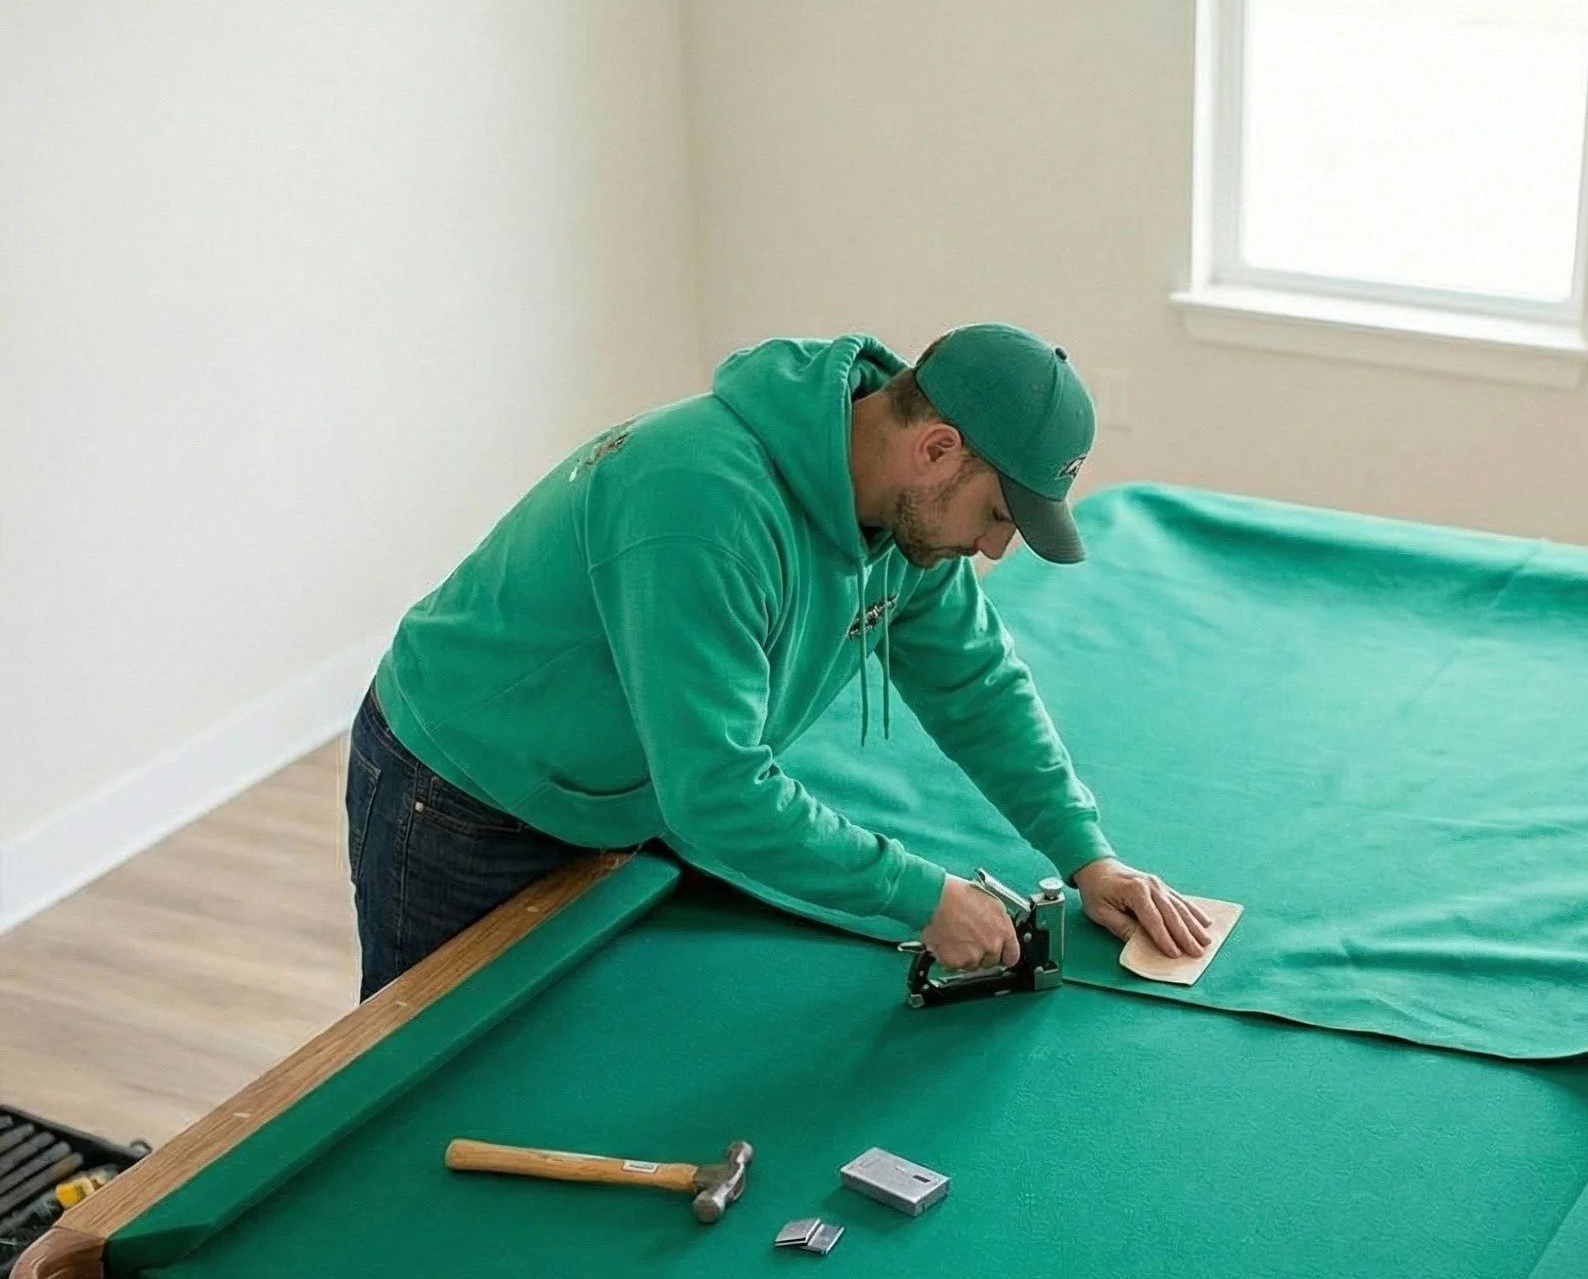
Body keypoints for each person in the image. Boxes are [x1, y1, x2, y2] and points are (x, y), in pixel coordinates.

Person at [346, 322, 1210, 998]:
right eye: (996, 515)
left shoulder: (907, 519)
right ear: (937, 449)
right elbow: (718, 789)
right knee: (403, 1090)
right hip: (463, 788)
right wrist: (922, 896)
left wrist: (1086, 856)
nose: (994, 548)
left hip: (613, 788)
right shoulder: (700, 506)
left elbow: (976, 684)